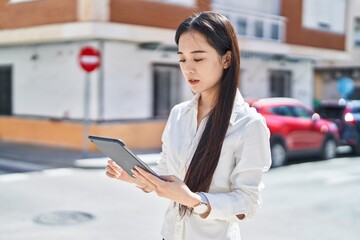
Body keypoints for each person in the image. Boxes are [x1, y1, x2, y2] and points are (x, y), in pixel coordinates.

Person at [106, 11, 272, 240]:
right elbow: (166, 173)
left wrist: (192, 200)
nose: (188, 68)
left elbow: (248, 203)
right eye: (182, 59)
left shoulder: (249, 125)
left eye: (198, 58)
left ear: (226, 59)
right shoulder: (178, 115)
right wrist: (135, 176)